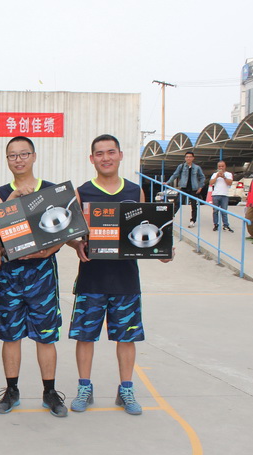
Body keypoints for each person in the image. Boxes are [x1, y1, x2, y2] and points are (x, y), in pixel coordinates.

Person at [67, 134, 172, 416]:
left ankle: (126, 389)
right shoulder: (82, 192)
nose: (106, 158)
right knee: (85, 337)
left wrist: (162, 251)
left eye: (111, 152)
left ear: (121, 155)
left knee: (126, 338)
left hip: (126, 279)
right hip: (91, 278)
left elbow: (146, 233)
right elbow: (69, 233)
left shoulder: (136, 191)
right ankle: (84, 388)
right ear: (92, 159)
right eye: (99, 153)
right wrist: (77, 245)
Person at [0, 136, 69, 417]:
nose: (19, 160)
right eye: (13, 155)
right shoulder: (0, 194)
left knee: (46, 335)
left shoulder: (51, 191)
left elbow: (66, 229)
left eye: (24, 154)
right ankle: (11, 390)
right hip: (10, 274)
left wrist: (50, 250)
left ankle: (50, 392)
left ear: (34, 156)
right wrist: (12, 200)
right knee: (10, 334)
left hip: (42, 271)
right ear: (7, 160)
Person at [166, 151, 205, 228]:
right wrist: (168, 182)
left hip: (194, 188)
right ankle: (170, 217)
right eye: (187, 157)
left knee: (194, 205)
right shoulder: (181, 166)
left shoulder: (197, 167)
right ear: (185, 158)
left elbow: (202, 177)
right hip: (184, 187)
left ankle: (192, 221)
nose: (188, 158)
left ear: (193, 158)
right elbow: (175, 175)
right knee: (178, 202)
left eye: (190, 157)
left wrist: (200, 187)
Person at [209, 161, 234, 232]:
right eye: (219, 166)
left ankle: (225, 225)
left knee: (224, 211)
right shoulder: (215, 174)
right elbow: (211, 183)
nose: (221, 168)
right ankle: (216, 224)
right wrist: (217, 176)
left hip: (224, 195)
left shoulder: (228, 174)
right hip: (215, 195)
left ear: (225, 166)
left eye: (222, 166)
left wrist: (224, 177)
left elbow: (230, 183)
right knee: (215, 211)